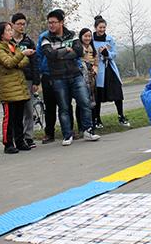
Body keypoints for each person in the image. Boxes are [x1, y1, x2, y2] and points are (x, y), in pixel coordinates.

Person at [41, 10, 100, 146]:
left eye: (54, 22)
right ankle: (67, 134)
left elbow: (79, 51)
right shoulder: (46, 38)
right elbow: (49, 55)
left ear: (61, 22)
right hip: (58, 77)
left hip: (75, 75)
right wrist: (66, 50)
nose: (51, 25)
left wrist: (59, 54)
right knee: (64, 107)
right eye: (49, 22)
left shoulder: (72, 35)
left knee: (85, 102)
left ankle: (88, 130)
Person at [0, 22, 33, 153]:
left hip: (19, 87)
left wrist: (18, 59)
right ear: (1, 34)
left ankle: (20, 141)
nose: (11, 32)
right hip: (9, 89)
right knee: (9, 119)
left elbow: (25, 61)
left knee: (19, 118)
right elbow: (9, 63)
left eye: (10, 30)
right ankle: (8, 143)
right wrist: (21, 55)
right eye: (8, 30)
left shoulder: (13, 46)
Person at [92, 16, 130, 128]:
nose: (102, 29)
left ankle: (121, 116)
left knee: (117, 93)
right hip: (98, 70)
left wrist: (107, 54)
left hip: (110, 69)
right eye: (100, 27)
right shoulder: (91, 40)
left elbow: (114, 54)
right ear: (95, 27)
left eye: (104, 27)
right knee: (98, 96)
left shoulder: (110, 39)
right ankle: (97, 120)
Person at [11, 13, 40, 148]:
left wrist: (36, 81)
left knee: (28, 109)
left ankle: (28, 137)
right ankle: (17, 137)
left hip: (27, 79)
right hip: (13, 80)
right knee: (15, 111)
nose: (21, 27)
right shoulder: (8, 42)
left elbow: (35, 62)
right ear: (12, 25)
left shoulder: (28, 42)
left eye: (23, 24)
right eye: (19, 24)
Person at [77, 28, 98, 131]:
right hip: (81, 78)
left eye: (89, 36)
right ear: (81, 37)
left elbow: (96, 64)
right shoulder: (78, 48)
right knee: (81, 101)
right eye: (85, 36)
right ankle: (81, 126)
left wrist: (94, 70)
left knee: (92, 101)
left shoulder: (93, 49)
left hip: (91, 79)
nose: (87, 38)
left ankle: (91, 123)